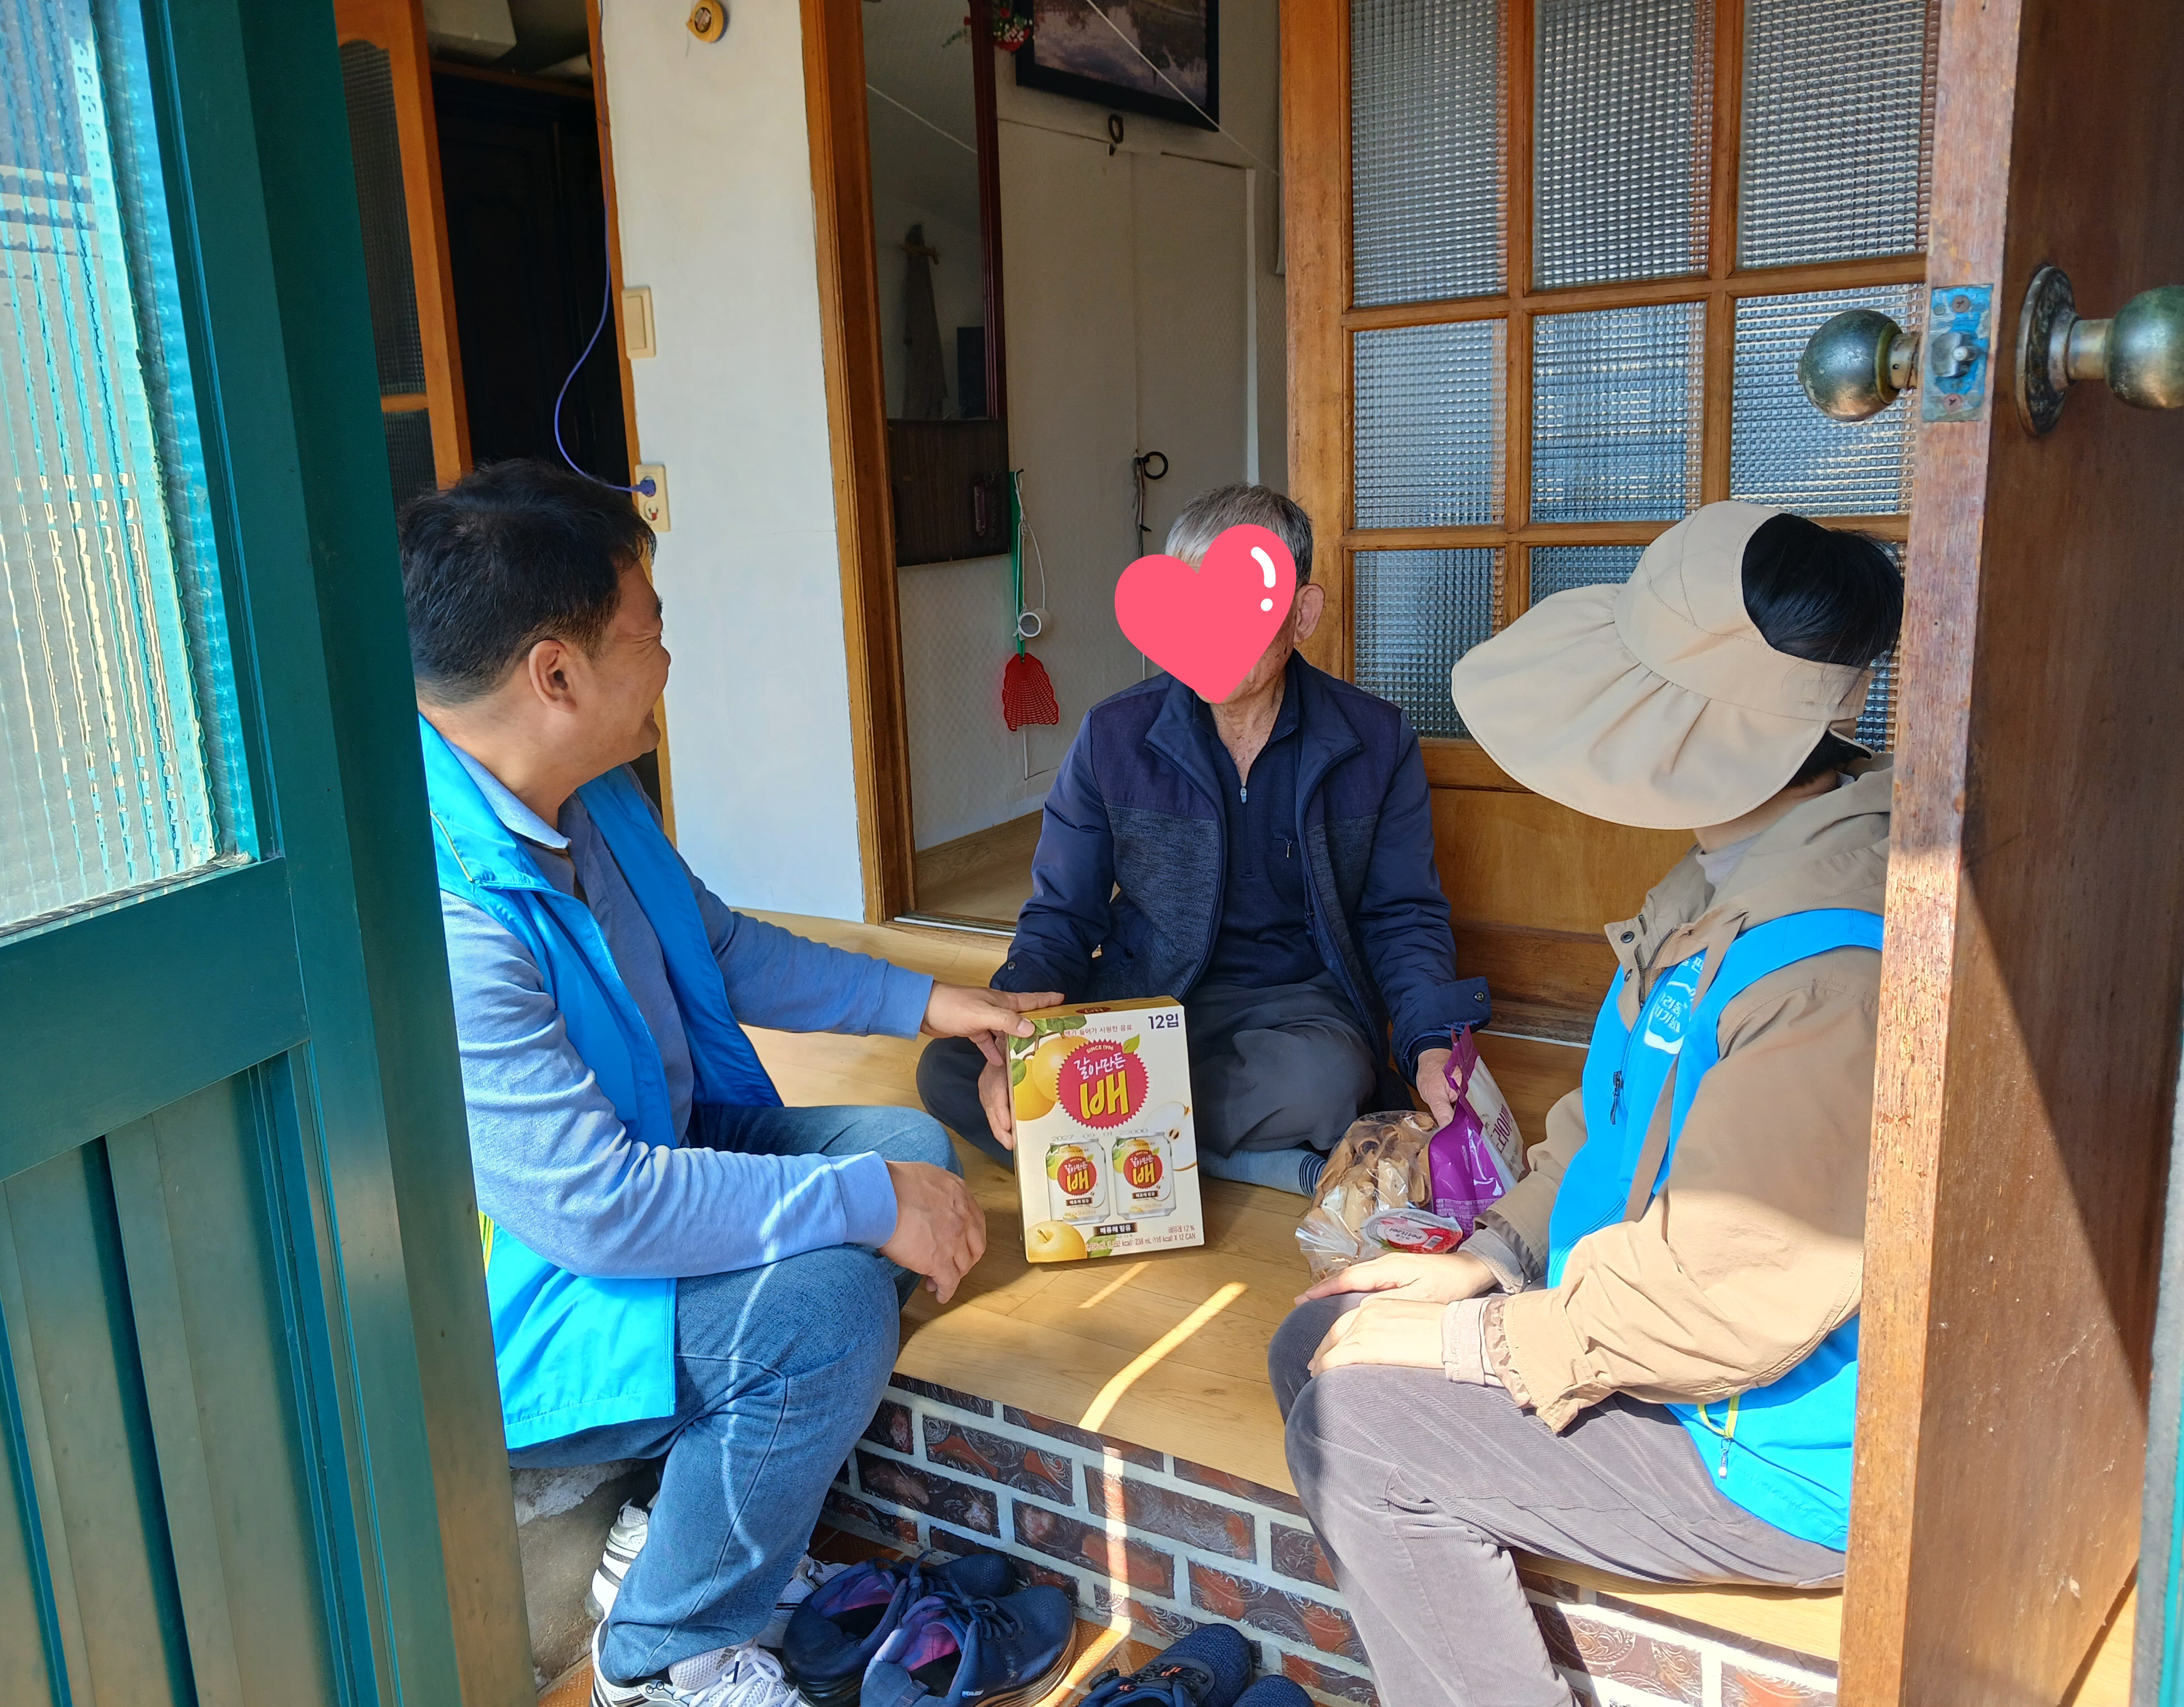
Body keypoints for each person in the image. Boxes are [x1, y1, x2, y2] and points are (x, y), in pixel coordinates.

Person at [402, 461, 1060, 1707]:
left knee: (904, 1144)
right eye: (650, 631)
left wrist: (935, 1002)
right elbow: (598, 1209)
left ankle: (678, 1535)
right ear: (556, 675)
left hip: (658, 1147)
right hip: (529, 1299)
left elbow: (721, 947)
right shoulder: (448, 912)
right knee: (829, 1305)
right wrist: (866, 1206)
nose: (668, 660)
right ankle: (666, 1657)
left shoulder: (585, 790)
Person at [1268, 503, 1903, 1706]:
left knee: (1362, 1432)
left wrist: (1481, 1343)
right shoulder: (1726, 871)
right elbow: (1610, 1127)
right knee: (1325, 1334)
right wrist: (1495, 1254)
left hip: (1767, 1447)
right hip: (1663, 1344)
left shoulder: (1827, 967)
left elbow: (1732, 1300)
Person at [916, 484, 1488, 1195]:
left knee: (1328, 1080)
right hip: (1143, 996)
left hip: (1296, 1009)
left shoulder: (1375, 739)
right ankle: (1262, 1164)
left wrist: (1430, 1044)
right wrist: (1012, 1040)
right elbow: (1062, 914)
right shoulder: (1113, 735)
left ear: (1302, 614)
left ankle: (1111, 1143)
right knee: (952, 1070)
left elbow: (1403, 915)